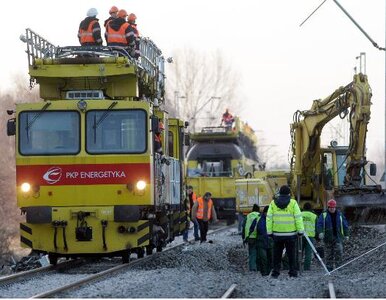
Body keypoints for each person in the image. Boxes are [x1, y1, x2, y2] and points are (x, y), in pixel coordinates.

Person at [266, 185, 304, 278]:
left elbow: (269, 219)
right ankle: (293, 273)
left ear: (280, 193)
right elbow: (298, 218)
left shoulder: (273, 203)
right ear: (289, 193)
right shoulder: (293, 203)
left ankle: (275, 273)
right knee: (291, 254)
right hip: (291, 234)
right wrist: (300, 231)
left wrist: (269, 232)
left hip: (277, 234)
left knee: (277, 255)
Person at [317, 199, 349, 271]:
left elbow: (345, 225)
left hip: (337, 237)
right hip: (328, 238)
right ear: (328, 207)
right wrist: (320, 232)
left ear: (335, 207)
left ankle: (339, 267)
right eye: (330, 207)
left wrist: (347, 235)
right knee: (328, 254)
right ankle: (329, 268)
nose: (332, 209)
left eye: (333, 207)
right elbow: (319, 224)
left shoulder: (340, 215)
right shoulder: (324, 215)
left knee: (339, 252)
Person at [242, 204, 260, 272]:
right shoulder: (259, 216)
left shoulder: (248, 216)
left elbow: (243, 226)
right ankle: (258, 267)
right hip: (258, 237)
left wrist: (244, 237)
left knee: (252, 252)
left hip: (249, 237)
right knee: (259, 252)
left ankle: (252, 268)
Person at [257, 205, 273, 276]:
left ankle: (268, 272)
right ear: (264, 212)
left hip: (269, 242)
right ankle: (264, 272)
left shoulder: (272, 220)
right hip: (262, 242)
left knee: (270, 258)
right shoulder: (260, 220)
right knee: (263, 258)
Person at [301, 202, 318, 271]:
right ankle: (306, 268)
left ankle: (297, 267)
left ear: (303, 208)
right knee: (308, 253)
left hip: (300, 236)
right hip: (310, 236)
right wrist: (317, 237)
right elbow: (317, 227)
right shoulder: (314, 216)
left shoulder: (299, 215)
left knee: (299, 252)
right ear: (311, 208)